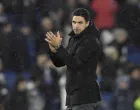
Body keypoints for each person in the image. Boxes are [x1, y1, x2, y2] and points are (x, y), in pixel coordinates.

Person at [45, 8, 101, 110]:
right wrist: (54, 51)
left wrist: (59, 48)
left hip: (85, 97)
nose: (76, 26)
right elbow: (60, 63)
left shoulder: (90, 41)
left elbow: (75, 63)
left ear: (87, 23)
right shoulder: (73, 40)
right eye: (74, 22)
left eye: (80, 22)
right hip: (73, 98)